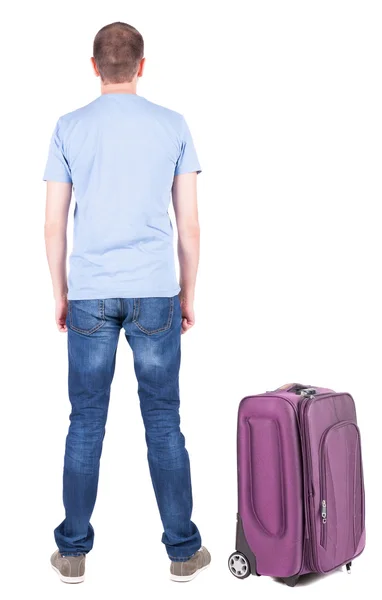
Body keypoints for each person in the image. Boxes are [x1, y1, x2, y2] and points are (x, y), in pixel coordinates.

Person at [43, 21, 210, 584]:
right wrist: (188, 293)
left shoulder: (69, 128)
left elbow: (52, 226)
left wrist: (61, 293)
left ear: (94, 66)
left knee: (85, 421)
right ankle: (184, 553)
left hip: (89, 291)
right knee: (164, 420)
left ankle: (71, 554)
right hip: (155, 289)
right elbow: (189, 226)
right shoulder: (173, 125)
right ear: (142, 65)